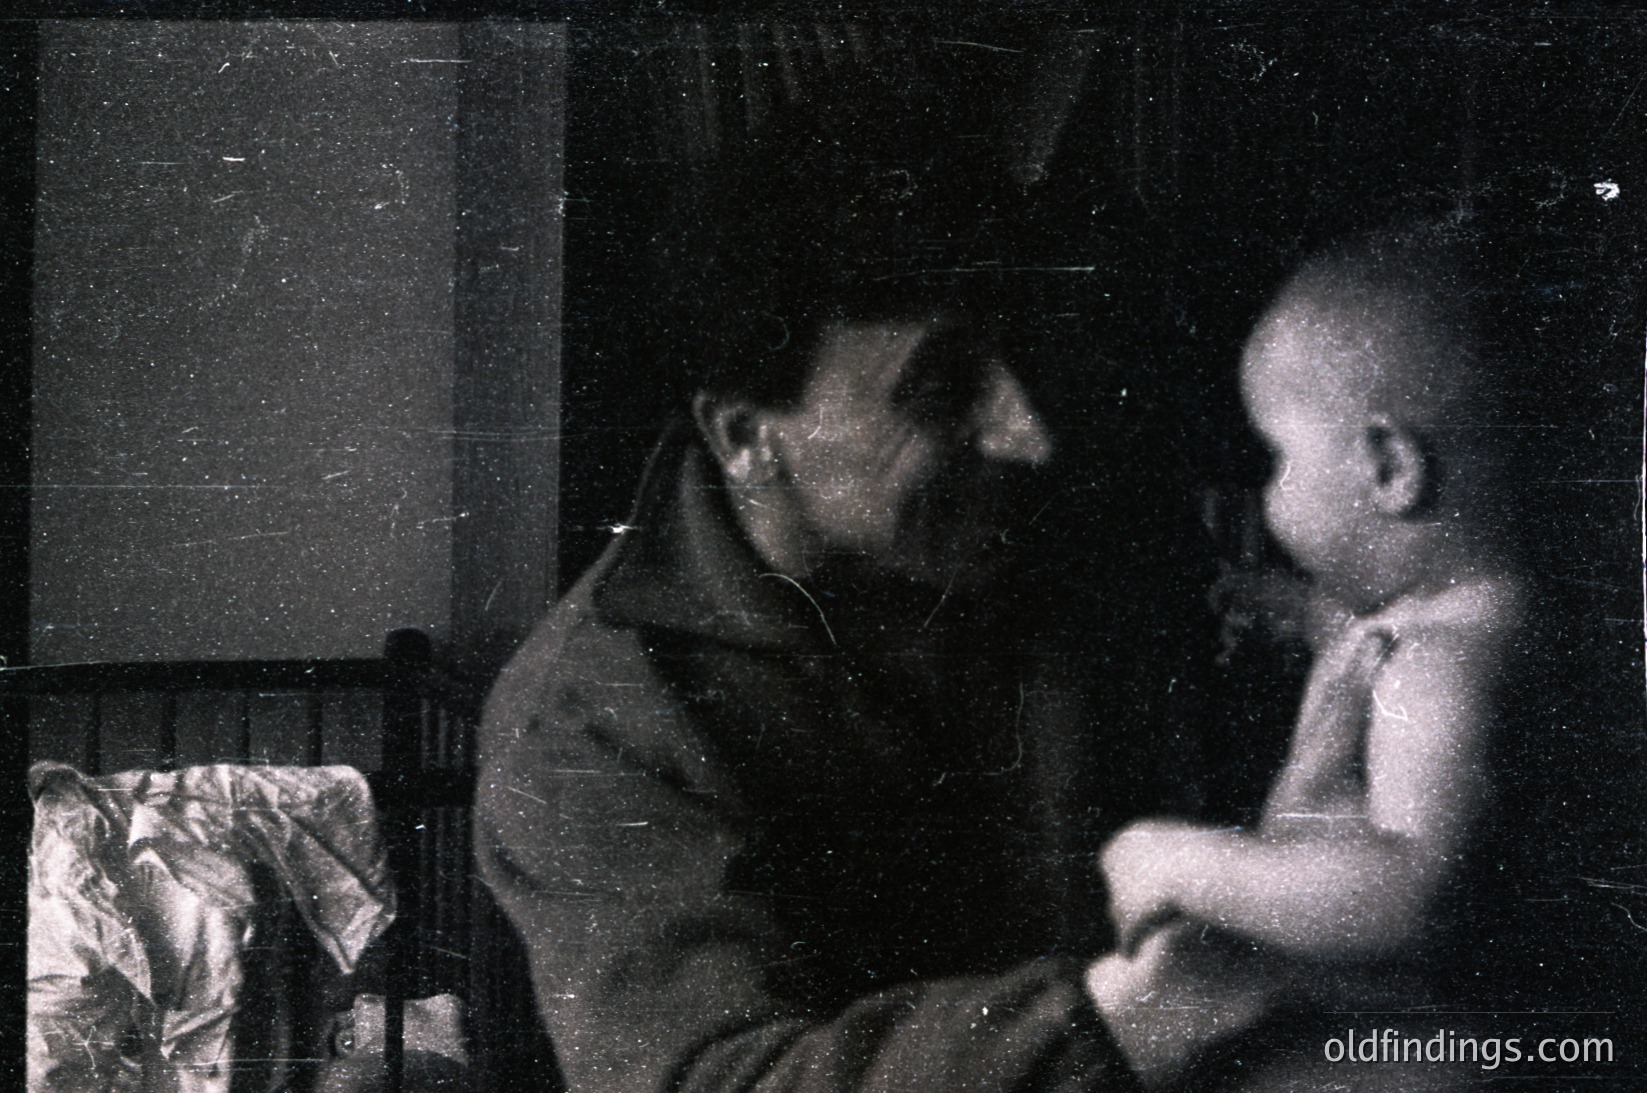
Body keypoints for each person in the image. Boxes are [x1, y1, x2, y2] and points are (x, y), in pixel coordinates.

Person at [474, 112, 1272, 1092]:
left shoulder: (1075, 548)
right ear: (745, 437)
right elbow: (717, 1082)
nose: (1029, 435)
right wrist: (1106, 1020)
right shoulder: (587, 723)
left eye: (1018, 355)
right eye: (942, 387)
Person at [1088, 227, 1533, 1088]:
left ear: (1387, 466)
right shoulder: (1450, 620)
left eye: (1275, 457)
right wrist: (1291, 607)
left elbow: (1412, 892)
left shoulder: (1442, 663)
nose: (1266, 491)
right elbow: (1359, 642)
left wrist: (1180, 862)